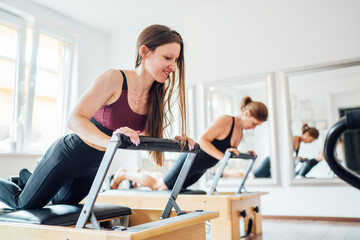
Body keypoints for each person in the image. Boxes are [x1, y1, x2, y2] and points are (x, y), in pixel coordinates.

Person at [0, 24, 194, 210]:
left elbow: (146, 140)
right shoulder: (114, 79)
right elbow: (74, 119)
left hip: (96, 164)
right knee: (23, 203)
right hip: (69, 154)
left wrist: (176, 142)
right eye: (168, 57)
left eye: (175, 60)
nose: (173, 67)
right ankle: (32, 180)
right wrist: (113, 140)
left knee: (62, 204)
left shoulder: (155, 97)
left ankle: (27, 178)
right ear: (144, 52)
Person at [111, 96, 268, 190]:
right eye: (254, 123)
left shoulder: (240, 131)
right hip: (193, 161)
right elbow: (204, 141)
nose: (253, 127)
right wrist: (223, 158)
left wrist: (245, 154)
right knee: (161, 186)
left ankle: (140, 173)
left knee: (168, 184)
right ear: (246, 113)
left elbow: (227, 151)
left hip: (202, 168)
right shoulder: (227, 121)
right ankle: (124, 174)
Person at [251, 123, 320, 178]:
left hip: (275, 163)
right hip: (271, 162)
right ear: (307, 134)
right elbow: (285, 155)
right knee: (253, 177)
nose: (309, 142)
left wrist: (301, 158)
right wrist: (298, 158)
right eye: (310, 140)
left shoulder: (298, 141)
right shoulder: (294, 139)